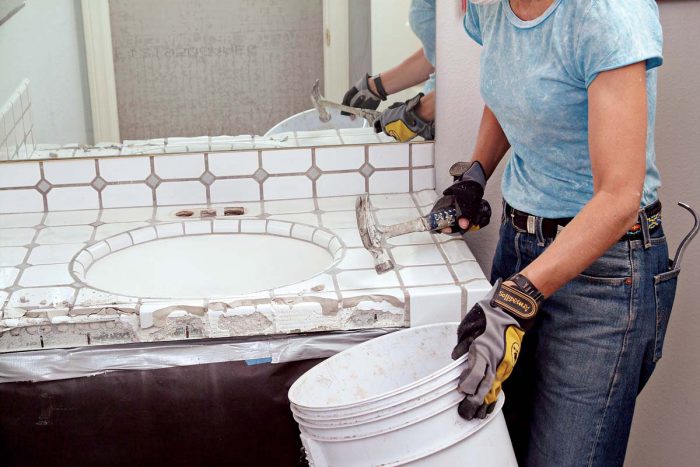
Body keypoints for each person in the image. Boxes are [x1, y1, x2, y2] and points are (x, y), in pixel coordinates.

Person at [437, 1, 677, 466]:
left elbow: (618, 196)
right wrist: (475, 174)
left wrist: (516, 298)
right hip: (518, 249)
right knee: (498, 448)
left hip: (604, 277)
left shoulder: (607, 13)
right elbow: (511, 89)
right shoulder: (491, 7)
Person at [341, 0, 436, 143]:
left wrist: (417, 113)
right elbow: (438, 54)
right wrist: (375, 87)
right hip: (436, 122)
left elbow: (470, 74)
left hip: (455, 121)